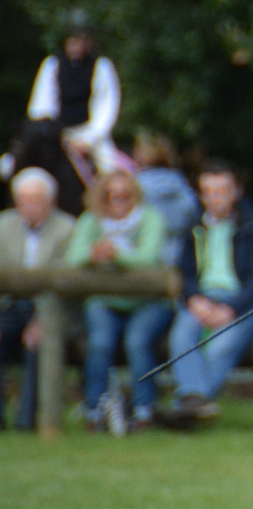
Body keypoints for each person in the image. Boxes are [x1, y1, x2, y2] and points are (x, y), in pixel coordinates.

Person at [160, 160, 253, 427]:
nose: (215, 198)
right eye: (209, 191)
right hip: (202, 299)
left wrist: (231, 308)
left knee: (221, 346)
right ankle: (196, 405)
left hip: (243, 303)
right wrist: (194, 299)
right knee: (181, 336)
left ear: (236, 191)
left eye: (221, 191)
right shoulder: (193, 224)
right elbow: (184, 271)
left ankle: (187, 406)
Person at [65, 169, 170, 432]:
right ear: (102, 199)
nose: (118, 202)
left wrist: (114, 254)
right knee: (99, 343)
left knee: (137, 341)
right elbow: (73, 258)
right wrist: (92, 253)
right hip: (104, 300)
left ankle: (144, 410)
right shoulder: (91, 220)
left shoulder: (151, 218)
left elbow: (147, 257)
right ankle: (95, 409)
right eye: (111, 197)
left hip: (148, 301)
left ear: (135, 197)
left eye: (125, 196)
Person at [0, 168, 75, 430]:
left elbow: (63, 280)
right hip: (8, 305)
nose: (28, 207)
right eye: (23, 200)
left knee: (41, 342)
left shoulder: (67, 228)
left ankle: (28, 420)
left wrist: (40, 319)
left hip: (49, 307)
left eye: (35, 201)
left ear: (50, 202)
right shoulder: (3, 226)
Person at [24, 9, 126, 192]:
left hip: (89, 132)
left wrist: (89, 140)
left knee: (110, 172)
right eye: (73, 40)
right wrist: (58, 135)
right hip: (58, 134)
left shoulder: (101, 67)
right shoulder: (52, 65)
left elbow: (106, 106)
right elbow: (42, 105)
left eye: (82, 40)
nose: (76, 45)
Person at [131, 132, 200, 267]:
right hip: (176, 255)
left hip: (140, 257)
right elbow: (192, 217)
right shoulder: (182, 186)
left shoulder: (132, 187)